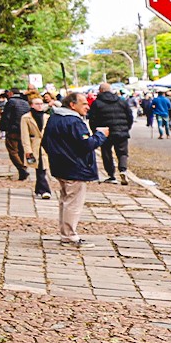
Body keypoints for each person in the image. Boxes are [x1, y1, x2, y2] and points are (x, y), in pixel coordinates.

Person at [41, 89, 109, 242]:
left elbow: (45, 142)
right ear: (72, 105)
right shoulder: (74, 122)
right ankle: (69, 235)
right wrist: (100, 135)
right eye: (84, 103)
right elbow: (87, 144)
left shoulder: (54, 118)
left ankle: (65, 232)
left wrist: (57, 155)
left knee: (66, 200)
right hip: (75, 167)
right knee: (73, 202)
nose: (87, 107)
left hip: (60, 166)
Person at [88, 81, 136, 185]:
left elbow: (92, 119)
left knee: (106, 153)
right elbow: (130, 116)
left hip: (105, 132)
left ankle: (111, 175)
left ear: (100, 91)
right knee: (122, 152)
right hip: (121, 131)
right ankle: (123, 170)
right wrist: (126, 128)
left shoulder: (97, 103)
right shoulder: (121, 101)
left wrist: (95, 131)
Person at [20, 93, 52, 198]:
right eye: (37, 104)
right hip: (34, 146)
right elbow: (25, 136)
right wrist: (27, 150)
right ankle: (45, 190)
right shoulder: (26, 118)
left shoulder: (47, 117)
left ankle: (39, 188)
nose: (40, 106)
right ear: (31, 105)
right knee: (39, 167)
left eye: (41, 103)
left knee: (43, 168)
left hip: (45, 146)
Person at [1, 89, 31, 180]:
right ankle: (23, 169)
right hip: (23, 129)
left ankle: (21, 169)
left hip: (13, 130)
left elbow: (6, 116)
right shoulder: (25, 102)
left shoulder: (11, 102)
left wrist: (3, 128)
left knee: (13, 150)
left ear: (11, 93)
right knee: (21, 151)